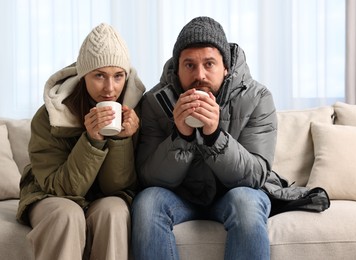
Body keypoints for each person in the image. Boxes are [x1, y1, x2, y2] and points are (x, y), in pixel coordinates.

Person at [132, 16, 276, 260]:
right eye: (189, 65)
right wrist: (181, 136)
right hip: (180, 196)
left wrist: (215, 136)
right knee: (147, 202)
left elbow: (256, 175)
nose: (200, 75)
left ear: (226, 67)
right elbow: (148, 177)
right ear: (177, 69)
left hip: (234, 192)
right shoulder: (155, 102)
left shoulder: (257, 97)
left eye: (209, 64)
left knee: (246, 203)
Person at [16, 23, 145, 260]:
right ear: (83, 75)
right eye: (99, 76)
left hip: (102, 196)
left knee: (115, 210)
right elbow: (61, 188)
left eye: (118, 76)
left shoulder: (134, 114)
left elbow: (116, 189)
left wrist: (121, 139)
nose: (110, 89)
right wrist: (92, 141)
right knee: (67, 213)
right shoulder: (50, 116)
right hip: (51, 195)